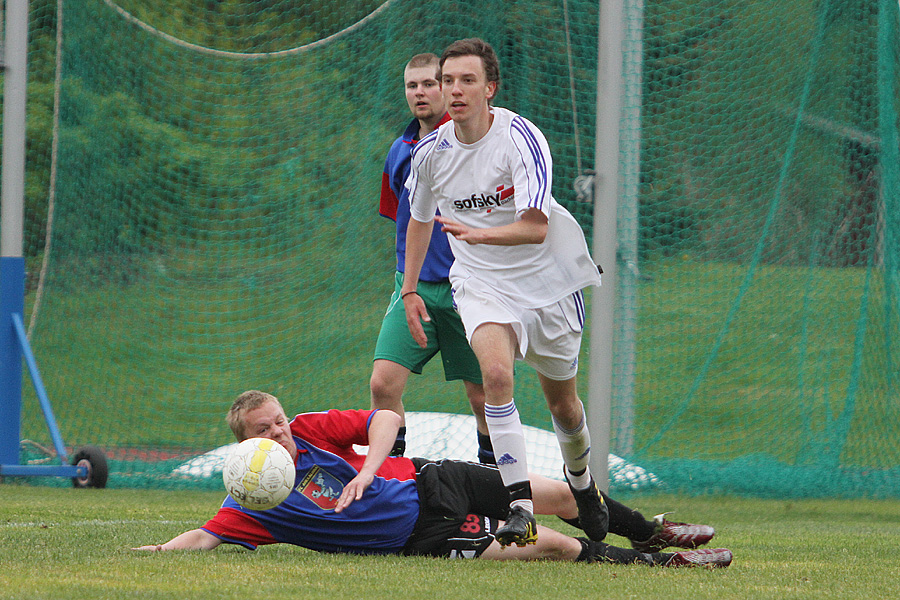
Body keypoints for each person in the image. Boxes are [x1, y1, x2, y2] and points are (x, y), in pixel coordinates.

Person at [133, 390, 732, 568]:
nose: (281, 434)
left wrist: (366, 471)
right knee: (543, 544)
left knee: (553, 492)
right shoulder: (253, 502)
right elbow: (206, 535)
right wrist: (156, 550)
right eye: (265, 431)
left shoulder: (313, 431)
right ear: (246, 447)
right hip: (419, 537)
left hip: (431, 482)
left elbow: (388, 417)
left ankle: (649, 532)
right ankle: (659, 568)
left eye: (281, 422)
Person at [401, 38, 605, 547]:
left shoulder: (521, 138)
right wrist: (408, 289)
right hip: (481, 282)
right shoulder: (429, 153)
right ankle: (520, 507)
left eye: (467, 80)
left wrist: (480, 233)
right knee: (495, 375)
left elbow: (535, 227)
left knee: (564, 406)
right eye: (448, 80)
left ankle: (583, 486)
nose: (455, 90)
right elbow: (420, 220)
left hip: (547, 284)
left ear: (490, 88)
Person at [373, 53, 493, 464]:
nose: (420, 92)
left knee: (484, 397)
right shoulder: (400, 150)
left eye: (429, 83)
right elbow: (402, 218)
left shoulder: (469, 143)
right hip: (413, 288)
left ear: (447, 88)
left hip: (469, 287)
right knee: (383, 384)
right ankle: (391, 482)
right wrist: (407, 282)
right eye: (412, 85)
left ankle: (495, 491)